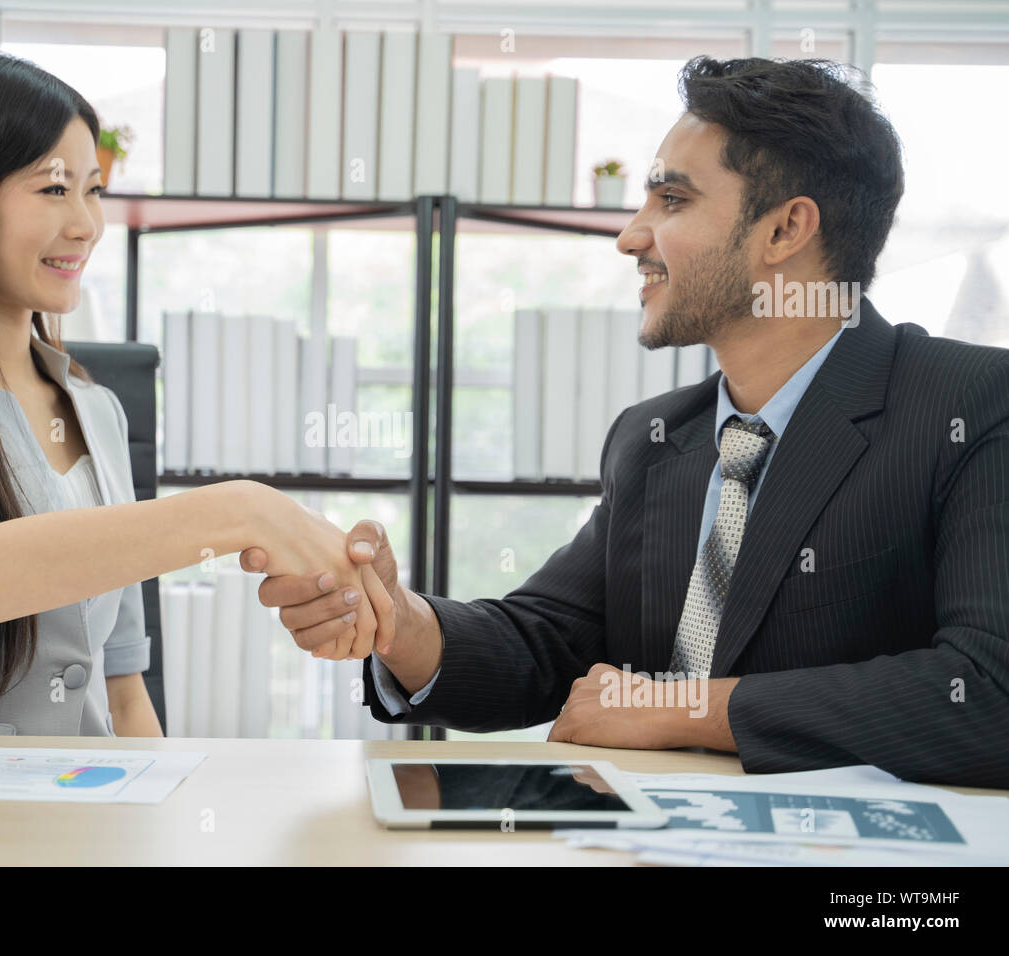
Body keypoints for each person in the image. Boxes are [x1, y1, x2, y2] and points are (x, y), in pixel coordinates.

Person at [245, 55, 1009, 789]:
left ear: (785, 230)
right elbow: (545, 645)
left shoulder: (969, 407)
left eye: (671, 201)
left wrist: (681, 708)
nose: (629, 236)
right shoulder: (654, 439)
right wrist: (398, 620)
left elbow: (987, 690)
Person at [0, 51, 390, 738]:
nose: (87, 225)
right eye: (53, 190)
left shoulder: (94, 411)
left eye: (94, 190)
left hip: (86, 815)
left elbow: (124, 694)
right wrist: (241, 510)